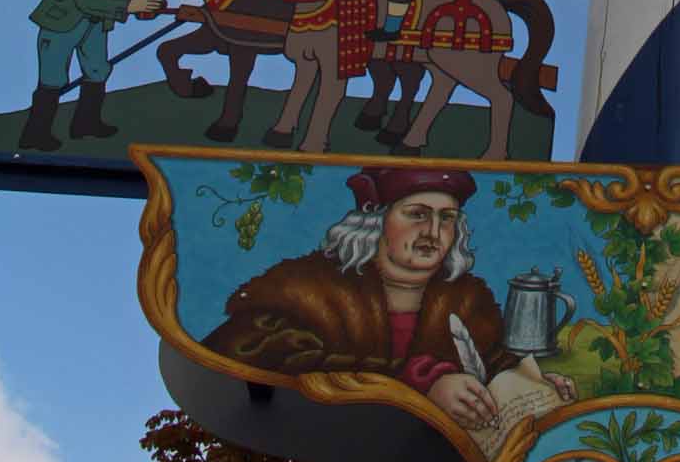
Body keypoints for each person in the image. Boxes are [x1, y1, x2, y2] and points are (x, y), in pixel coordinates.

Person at [202, 167, 572, 426]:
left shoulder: (466, 297)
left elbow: (490, 361)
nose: (433, 231)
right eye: (416, 214)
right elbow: (258, 350)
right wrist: (419, 383)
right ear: (374, 220)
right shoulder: (306, 286)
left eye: (447, 218)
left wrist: (531, 384)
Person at [22, 0, 170, 151]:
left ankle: (86, 124)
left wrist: (145, 5)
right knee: (53, 78)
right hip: (62, 22)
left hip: (96, 23)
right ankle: (35, 134)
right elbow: (86, 0)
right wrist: (129, 6)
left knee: (98, 70)